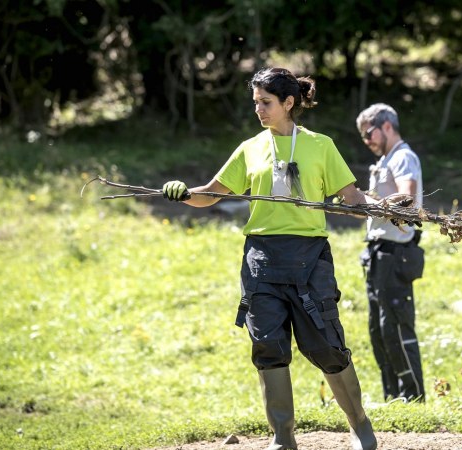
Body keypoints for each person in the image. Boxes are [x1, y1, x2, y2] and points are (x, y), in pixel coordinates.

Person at [162, 68, 377, 450]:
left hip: (310, 258)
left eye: (266, 102)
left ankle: (359, 424)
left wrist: (382, 208)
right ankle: (283, 436)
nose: (259, 110)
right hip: (261, 259)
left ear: (289, 103)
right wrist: (183, 193)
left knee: (326, 344)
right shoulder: (250, 148)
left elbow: (352, 198)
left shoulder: (321, 146)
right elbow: (211, 193)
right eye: (256, 102)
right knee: (268, 346)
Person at [355, 103, 425, 403]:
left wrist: (369, 201)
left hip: (397, 253)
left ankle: (414, 397)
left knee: (395, 326)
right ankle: (392, 398)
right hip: (377, 253)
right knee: (378, 329)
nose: (366, 140)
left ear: (386, 127)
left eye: (368, 133)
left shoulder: (403, 157)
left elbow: (406, 198)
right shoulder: (386, 160)